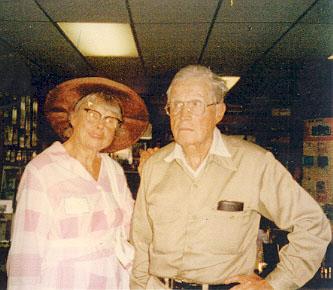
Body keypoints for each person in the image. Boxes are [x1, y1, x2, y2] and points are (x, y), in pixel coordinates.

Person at [130, 65, 331, 290]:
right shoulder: (155, 167)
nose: (183, 114)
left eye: (195, 104)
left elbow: (313, 224)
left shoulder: (254, 163)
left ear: (219, 112)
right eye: (176, 105)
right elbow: (140, 242)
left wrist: (274, 284)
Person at [7, 77, 149, 290]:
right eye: (92, 114)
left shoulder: (113, 171)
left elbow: (132, 229)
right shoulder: (43, 170)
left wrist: (150, 179)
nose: (101, 125)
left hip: (113, 281)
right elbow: (26, 254)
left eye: (111, 120)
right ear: (72, 117)